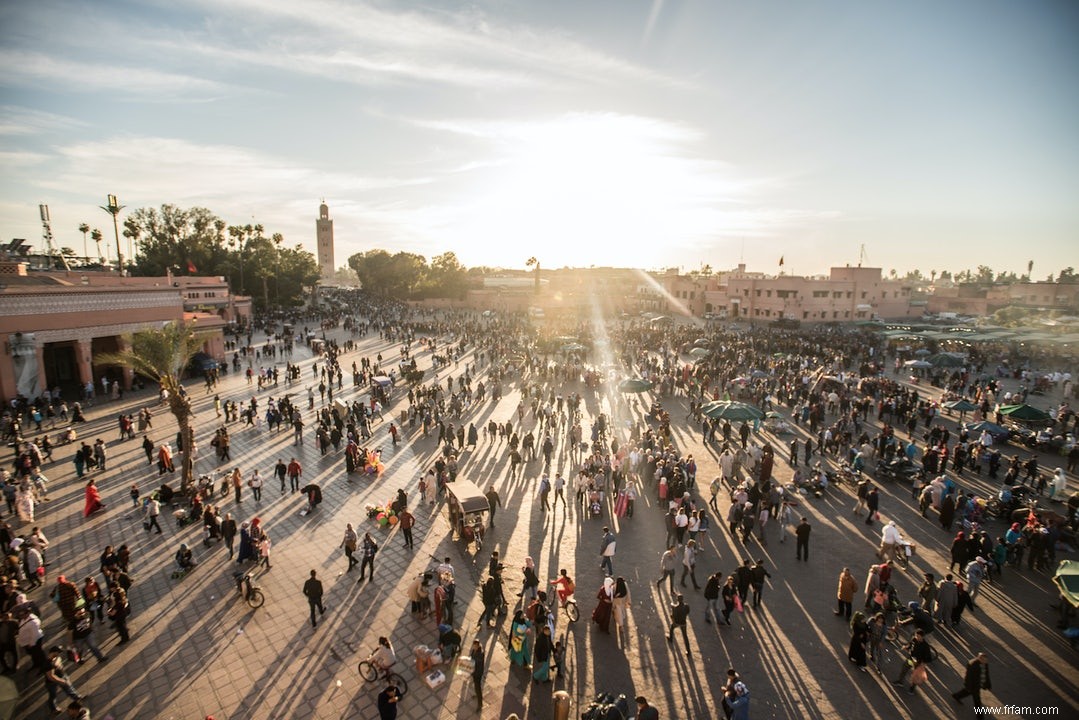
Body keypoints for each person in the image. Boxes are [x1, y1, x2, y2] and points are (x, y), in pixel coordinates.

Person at [43, 645, 83, 713]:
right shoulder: (47, 664)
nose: (59, 654)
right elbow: (51, 677)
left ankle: (77, 697)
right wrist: (63, 681)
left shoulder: (56, 657)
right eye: (58, 652)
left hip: (61, 676)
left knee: (69, 688)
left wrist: (64, 676)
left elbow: (60, 666)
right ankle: (54, 709)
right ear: (53, 652)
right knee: (53, 696)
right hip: (51, 682)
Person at [667, 592, 691, 657]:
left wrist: (672, 607)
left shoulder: (676, 608)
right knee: (685, 636)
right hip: (683, 623)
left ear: (677, 600)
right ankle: (688, 651)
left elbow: (672, 616)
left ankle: (670, 638)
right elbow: (688, 612)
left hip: (677, 622)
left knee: (672, 627)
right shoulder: (686, 606)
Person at [470, 639, 485, 712]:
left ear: (478, 646)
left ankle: (480, 704)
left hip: (478, 673)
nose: (473, 647)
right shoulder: (474, 650)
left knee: (478, 687)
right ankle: (477, 694)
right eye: (473, 646)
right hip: (474, 671)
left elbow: (476, 662)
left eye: (475, 646)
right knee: (476, 686)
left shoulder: (480, 653)